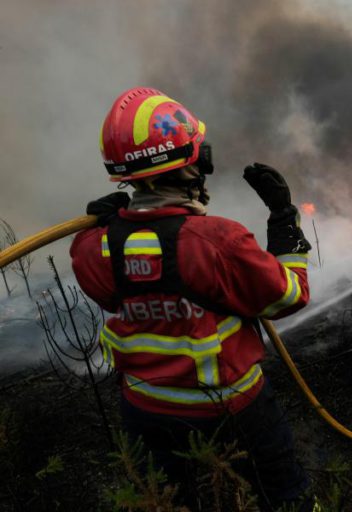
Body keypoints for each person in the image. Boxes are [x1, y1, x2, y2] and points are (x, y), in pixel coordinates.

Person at [70, 87, 315, 511]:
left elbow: (112, 291)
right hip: (232, 406)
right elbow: (288, 297)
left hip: (145, 409)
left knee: (168, 504)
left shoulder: (93, 247)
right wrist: (283, 221)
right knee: (284, 496)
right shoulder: (218, 240)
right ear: (188, 162)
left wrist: (102, 227)